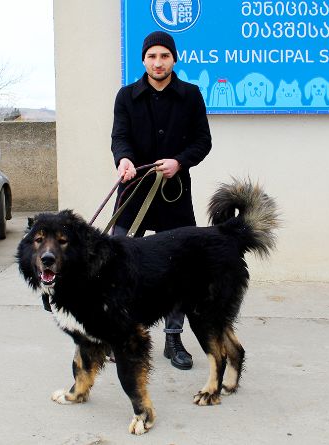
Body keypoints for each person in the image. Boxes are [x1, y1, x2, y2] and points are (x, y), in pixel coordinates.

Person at [110, 30, 212, 370]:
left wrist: (180, 161)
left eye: (164, 56)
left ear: (174, 59)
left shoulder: (191, 96)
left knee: (181, 267)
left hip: (174, 194)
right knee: (117, 261)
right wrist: (124, 159)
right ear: (143, 60)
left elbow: (203, 141)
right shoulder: (126, 96)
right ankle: (121, 332)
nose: (158, 62)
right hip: (134, 192)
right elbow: (119, 137)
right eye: (152, 56)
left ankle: (173, 338)